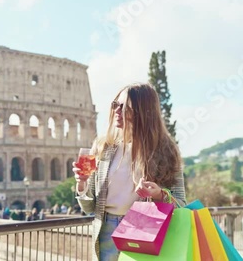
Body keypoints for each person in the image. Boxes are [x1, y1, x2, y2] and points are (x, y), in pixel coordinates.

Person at [73, 83, 186, 261]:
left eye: (124, 106)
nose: (116, 111)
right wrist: (82, 183)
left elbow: (181, 204)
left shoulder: (166, 150)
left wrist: (159, 194)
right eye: (114, 105)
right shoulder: (103, 147)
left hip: (144, 230)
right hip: (106, 233)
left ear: (143, 110)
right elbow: (89, 208)